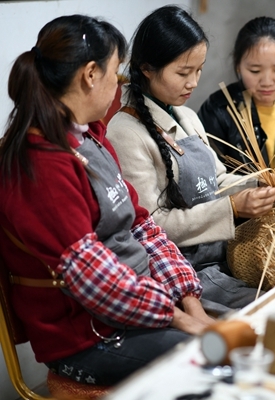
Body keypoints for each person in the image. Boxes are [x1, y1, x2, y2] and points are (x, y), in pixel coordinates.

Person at [0, 15, 213, 387]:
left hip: (137, 311)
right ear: (90, 75)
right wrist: (178, 317)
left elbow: (142, 225)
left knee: (228, 337)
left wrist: (190, 301)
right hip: (90, 338)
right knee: (210, 363)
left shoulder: (90, 136)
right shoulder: (40, 165)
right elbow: (96, 281)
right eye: (116, 71)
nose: (120, 82)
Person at [107, 7, 275, 316]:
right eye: (182, 72)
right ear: (148, 69)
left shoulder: (187, 116)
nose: (193, 82)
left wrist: (260, 184)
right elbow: (151, 225)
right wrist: (231, 208)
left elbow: (218, 181)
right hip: (179, 275)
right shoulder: (125, 132)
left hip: (219, 260)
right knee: (270, 313)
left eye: (199, 70)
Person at [199, 16, 275, 200]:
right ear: (238, 65)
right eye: (255, 71)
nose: (267, 82)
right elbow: (207, 184)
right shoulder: (218, 111)